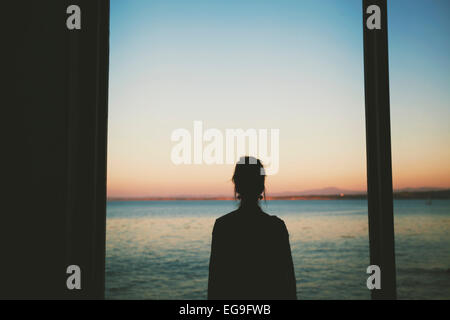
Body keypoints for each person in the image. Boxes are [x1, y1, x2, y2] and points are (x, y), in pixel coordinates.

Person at [207, 156, 297, 299]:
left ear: (236, 185)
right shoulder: (276, 228)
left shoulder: (223, 227)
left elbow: (215, 286)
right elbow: (288, 287)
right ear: (261, 186)